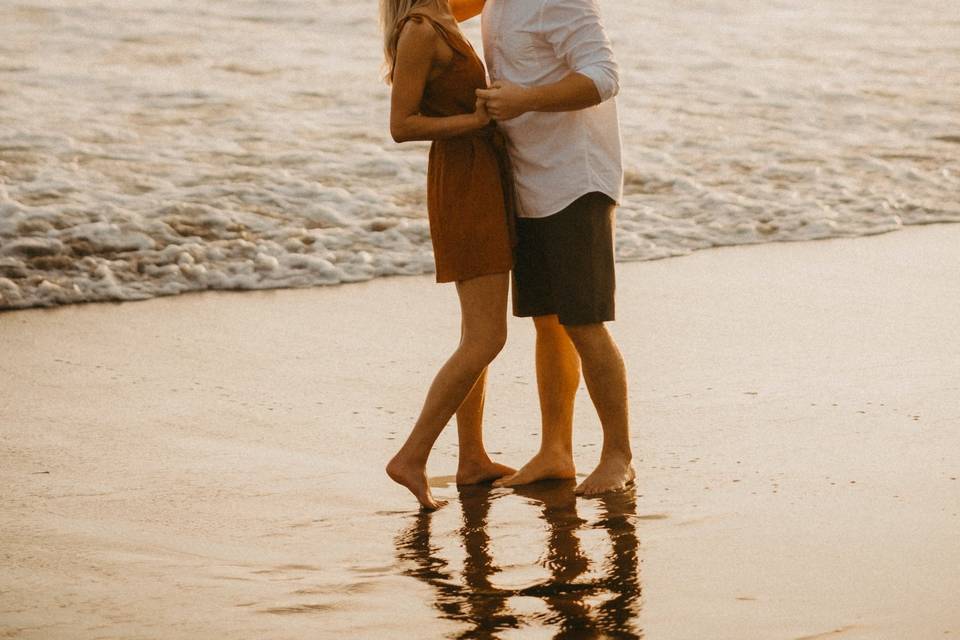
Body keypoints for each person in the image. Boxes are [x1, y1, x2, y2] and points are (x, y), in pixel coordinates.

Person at [454, 0, 635, 495]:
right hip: (530, 179)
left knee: (583, 320)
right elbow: (437, 10)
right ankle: (556, 450)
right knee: (549, 321)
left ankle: (618, 455)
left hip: (577, 179)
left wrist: (525, 98)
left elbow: (603, 77)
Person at [379, 0, 517, 509]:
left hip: (480, 173)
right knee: (486, 336)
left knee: (474, 333)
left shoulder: (444, 20)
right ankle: (411, 457)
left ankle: (472, 459)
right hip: (463, 180)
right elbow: (401, 124)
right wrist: (474, 120)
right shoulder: (419, 30)